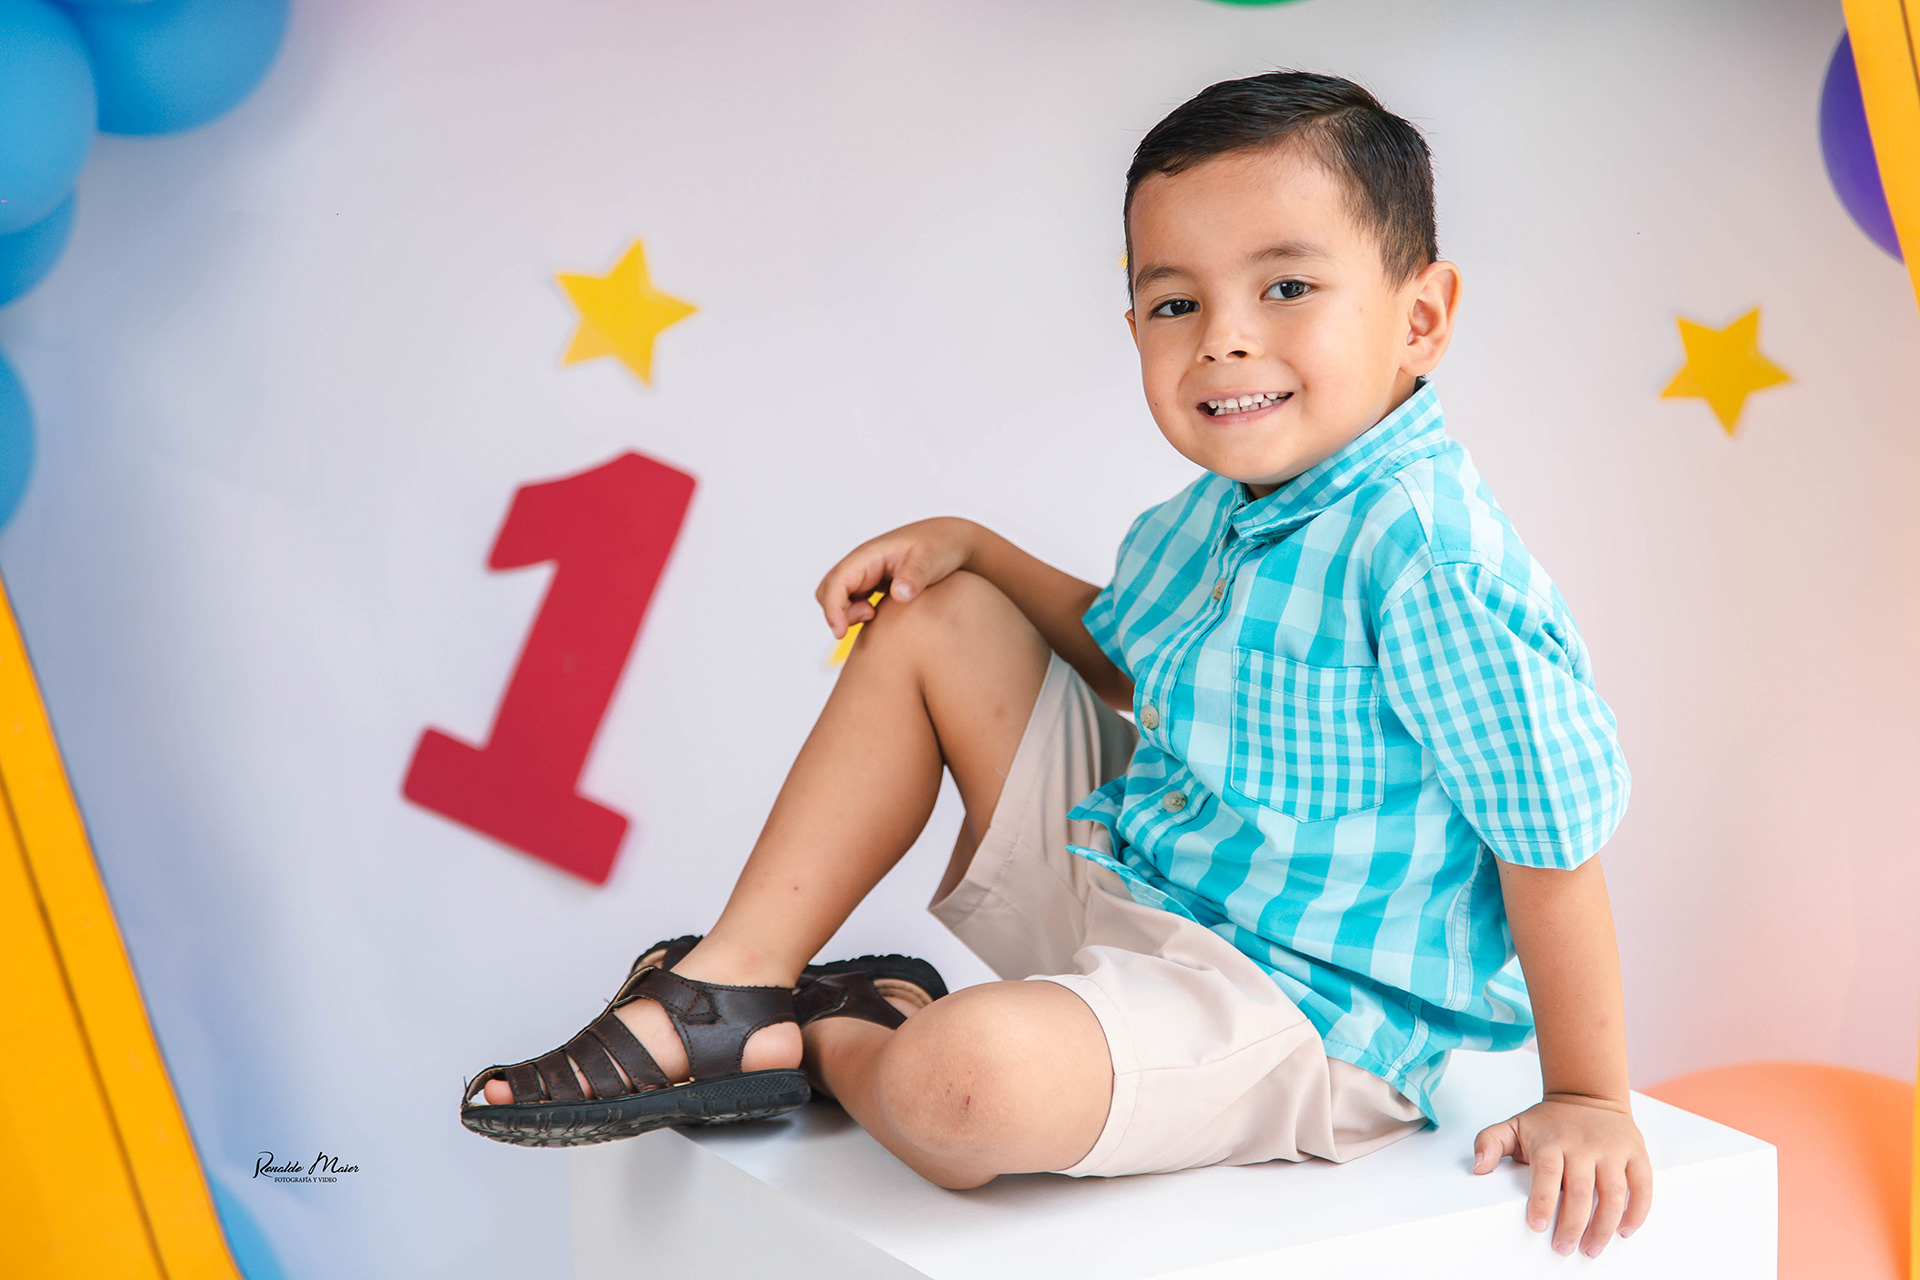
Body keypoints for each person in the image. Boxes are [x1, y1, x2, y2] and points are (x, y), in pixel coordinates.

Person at [463, 70, 1652, 1260]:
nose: (1225, 336)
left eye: (1287, 286)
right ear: (1134, 327)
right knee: (937, 617)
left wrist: (1589, 1092)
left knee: (958, 1086)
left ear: (1421, 316)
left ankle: (839, 1026)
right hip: (1148, 874)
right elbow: (1128, 656)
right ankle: (728, 986)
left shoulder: (1427, 555)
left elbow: (1546, 827)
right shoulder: (1233, 505)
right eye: (1176, 302)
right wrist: (976, 549)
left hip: (1301, 1011)